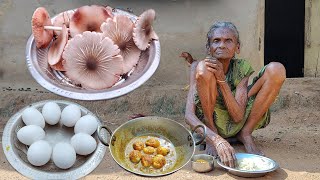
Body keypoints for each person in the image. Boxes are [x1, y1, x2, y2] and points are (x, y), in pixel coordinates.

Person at [184, 21, 286, 167]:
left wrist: (221, 79)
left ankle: (245, 133)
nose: (221, 45)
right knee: (204, 68)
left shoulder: (241, 68)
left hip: (238, 119)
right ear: (209, 48)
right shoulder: (198, 69)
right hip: (210, 123)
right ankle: (212, 131)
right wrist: (214, 139)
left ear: (237, 48)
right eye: (216, 41)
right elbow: (189, 115)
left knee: (277, 69)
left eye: (228, 41)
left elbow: (238, 116)